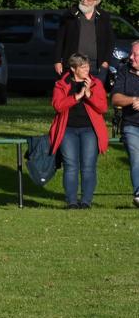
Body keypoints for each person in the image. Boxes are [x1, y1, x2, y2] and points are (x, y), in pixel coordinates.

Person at [51, 53, 108, 209]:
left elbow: (103, 108)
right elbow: (58, 106)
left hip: (89, 130)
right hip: (68, 130)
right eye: (83, 67)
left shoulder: (95, 83)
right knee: (71, 165)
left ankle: (86, 201)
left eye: (88, 66)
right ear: (73, 68)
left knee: (88, 166)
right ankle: (72, 201)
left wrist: (88, 94)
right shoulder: (61, 84)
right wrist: (77, 96)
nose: (87, 70)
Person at [55, 0, 113, 82]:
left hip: (96, 66)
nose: (84, 1)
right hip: (74, 64)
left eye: (88, 0)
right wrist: (57, 61)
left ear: (96, 2)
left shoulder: (103, 17)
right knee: (72, 91)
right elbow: (59, 39)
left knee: (95, 91)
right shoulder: (70, 15)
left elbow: (110, 41)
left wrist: (106, 61)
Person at [110, 39, 139, 208]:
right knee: (136, 156)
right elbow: (115, 98)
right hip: (131, 125)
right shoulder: (124, 71)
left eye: (135, 54)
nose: (131, 57)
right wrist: (133, 100)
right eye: (131, 53)